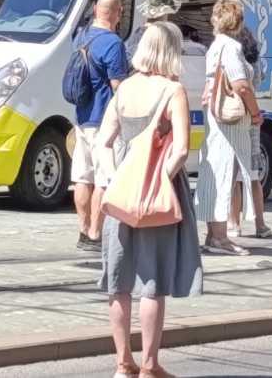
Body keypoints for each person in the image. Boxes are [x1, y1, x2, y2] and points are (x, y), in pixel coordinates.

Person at [96, 21, 202, 378]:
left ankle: (122, 363)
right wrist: (158, 180)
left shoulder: (124, 88)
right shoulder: (173, 91)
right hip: (157, 197)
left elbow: (104, 141)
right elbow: (182, 150)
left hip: (121, 195)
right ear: (171, 51)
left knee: (119, 281)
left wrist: (115, 178)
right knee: (151, 282)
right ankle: (149, 365)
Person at [195, 0, 260, 256]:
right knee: (225, 174)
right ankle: (221, 237)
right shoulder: (232, 47)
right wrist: (255, 113)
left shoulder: (215, 46)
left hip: (215, 116)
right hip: (230, 122)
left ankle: (214, 234)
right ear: (238, 22)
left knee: (215, 174)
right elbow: (240, 84)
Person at [71, 0, 131, 253]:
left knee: (83, 178)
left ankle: (83, 230)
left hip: (81, 118)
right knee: (104, 178)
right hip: (104, 120)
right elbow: (118, 85)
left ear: (96, 9)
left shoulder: (80, 38)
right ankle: (96, 233)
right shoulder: (113, 43)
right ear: (118, 13)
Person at [227, 26, 270, 239]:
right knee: (253, 173)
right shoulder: (254, 61)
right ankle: (260, 224)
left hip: (234, 116)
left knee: (234, 174)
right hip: (253, 117)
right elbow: (258, 83)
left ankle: (234, 222)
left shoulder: (230, 55)